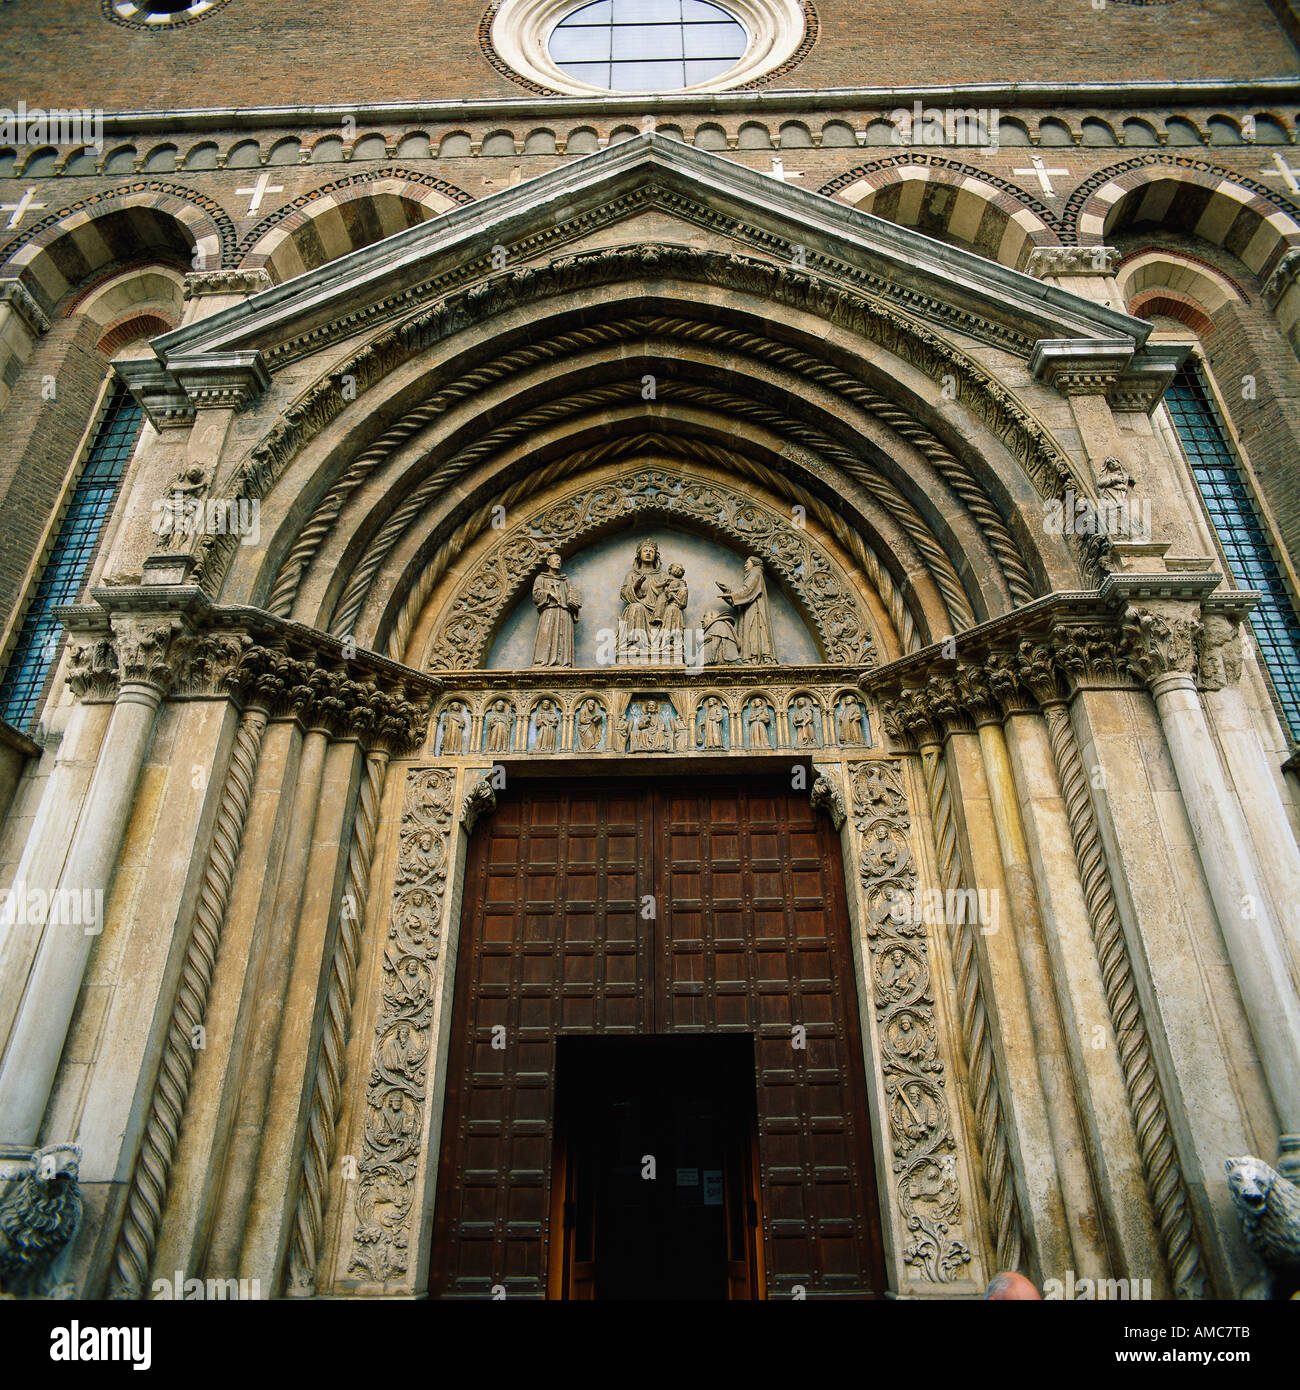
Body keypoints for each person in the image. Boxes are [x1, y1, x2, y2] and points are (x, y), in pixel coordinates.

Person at [717, 555, 777, 663]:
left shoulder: (756, 572)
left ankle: (753, 656)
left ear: (754, 564)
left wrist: (731, 595)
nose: (745, 565)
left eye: (747, 562)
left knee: (753, 628)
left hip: (755, 609)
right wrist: (728, 592)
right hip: (750, 606)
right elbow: (745, 594)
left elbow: (748, 590)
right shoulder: (754, 574)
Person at [530, 551, 581, 667]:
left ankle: (563, 662)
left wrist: (574, 605)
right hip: (549, 611)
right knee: (546, 634)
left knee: (563, 636)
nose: (558, 562)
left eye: (560, 560)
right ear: (548, 562)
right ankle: (543, 661)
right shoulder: (541, 578)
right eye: (556, 559)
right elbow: (536, 594)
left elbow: (571, 596)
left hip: (564, 612)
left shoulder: (565, 580)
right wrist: (549, 593)